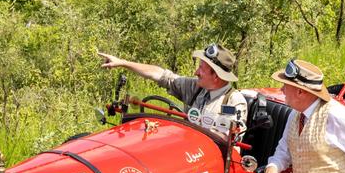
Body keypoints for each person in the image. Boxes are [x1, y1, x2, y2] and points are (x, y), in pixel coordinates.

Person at [97, 43, 247, 125]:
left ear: (216, 75)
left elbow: (229, 142)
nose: (196, 73)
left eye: (201, 69)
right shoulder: (197, 88)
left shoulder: (233, 102)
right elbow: (162, 75)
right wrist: (123, 63)